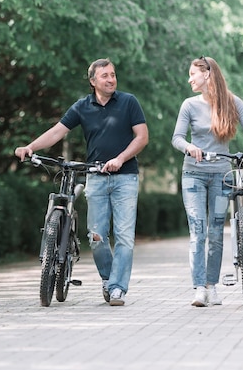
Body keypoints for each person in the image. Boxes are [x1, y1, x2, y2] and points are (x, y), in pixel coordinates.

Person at [15, 58, 149, 306]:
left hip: (125, 177)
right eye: (105, 76)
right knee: (96, 237)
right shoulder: (82, 106)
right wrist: (31, 146)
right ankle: (108, 279)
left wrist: (120, 159)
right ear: (92, 81)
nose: (111, 79)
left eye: (113, 74)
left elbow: (142, 137)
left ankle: (118, 288)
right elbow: (57, 131)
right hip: (96, 177)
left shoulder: (129, 102)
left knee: (124, 236)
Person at [171, 56, 243, 307]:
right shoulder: (189, 105)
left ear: (208, 74)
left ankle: (212, 286)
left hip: (222, 175)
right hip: (193, 174)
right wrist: (190, 147)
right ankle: (199, 288)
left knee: (215, 232)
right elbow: (177, 138)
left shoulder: (233, 103)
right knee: (198, 231)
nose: (189, 78)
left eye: (193, 73)